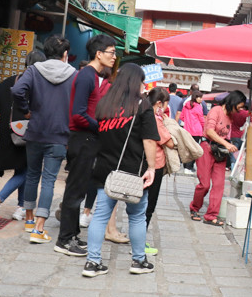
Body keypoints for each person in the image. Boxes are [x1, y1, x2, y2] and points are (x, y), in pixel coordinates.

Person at [83, 63, 159, 277]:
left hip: (106, 169)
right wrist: (152, 167)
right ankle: (138, 261)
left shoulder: (105, 104)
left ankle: (93, 262)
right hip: (134, 171)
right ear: (137, 82)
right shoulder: (142, 105)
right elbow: (149, 140)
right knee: (136, 216)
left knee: (100, 216)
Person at [53, 35, 116, 257]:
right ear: (99, 53)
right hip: (82, 139)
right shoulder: (86, 76)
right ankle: (64, 240)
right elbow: (78, 114)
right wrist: (99, 127)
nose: (114, 57)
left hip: (88, 139)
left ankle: (72, 234)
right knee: (75, 191)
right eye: (111, 52)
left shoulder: (94, 76)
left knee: (79, 189)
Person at [11, 35, 75, 243]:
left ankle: (29, 220)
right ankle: (39, 229)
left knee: (32, 175)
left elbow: (18, 90)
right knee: (49, 180)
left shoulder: (34, 70)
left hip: (36, 131)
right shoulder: (74, 75)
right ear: (65, 54)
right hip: (59, 135)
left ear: (46, 52)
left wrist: (26, 110)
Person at [0, 49, 47, 221]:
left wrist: (4, 112)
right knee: (30, 170)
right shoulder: (37, 84)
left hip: (10, 132)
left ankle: (21, 207)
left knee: (22, 168)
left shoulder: (15, 80)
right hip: (28, 134)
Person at [189, 91, 239, 225]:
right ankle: (194, 207)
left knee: (219, 185)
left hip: (220, 153)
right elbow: (210, 131)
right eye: (238, 107)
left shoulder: (231, 116)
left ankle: (211, 216)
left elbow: (228, 134)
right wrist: (226, 144)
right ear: (232, 103)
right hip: (207, 148)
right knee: (204, 184)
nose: (239, 110)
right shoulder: (216, 110)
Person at [144, 86, 175, 256]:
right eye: (164, 105)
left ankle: (138, 239)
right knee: (149, 205)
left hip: (144, 164)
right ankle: (140, 242)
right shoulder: (155, 119)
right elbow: (169, 142)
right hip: (154, 165)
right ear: (158, 103)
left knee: (141, 204)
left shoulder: (142, 112)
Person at [178, 85, 206, 172]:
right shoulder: (198, 107)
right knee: (194, 148)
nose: (201, 100)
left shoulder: (186, 105)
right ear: (195, 98)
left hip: (187, 129)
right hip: (196, 131)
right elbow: (202, 119)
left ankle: (185, 165)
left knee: (187, 147)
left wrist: (188, 120)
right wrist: (203, 127)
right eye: (200, 98)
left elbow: (181, 117)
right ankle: (189, 167)